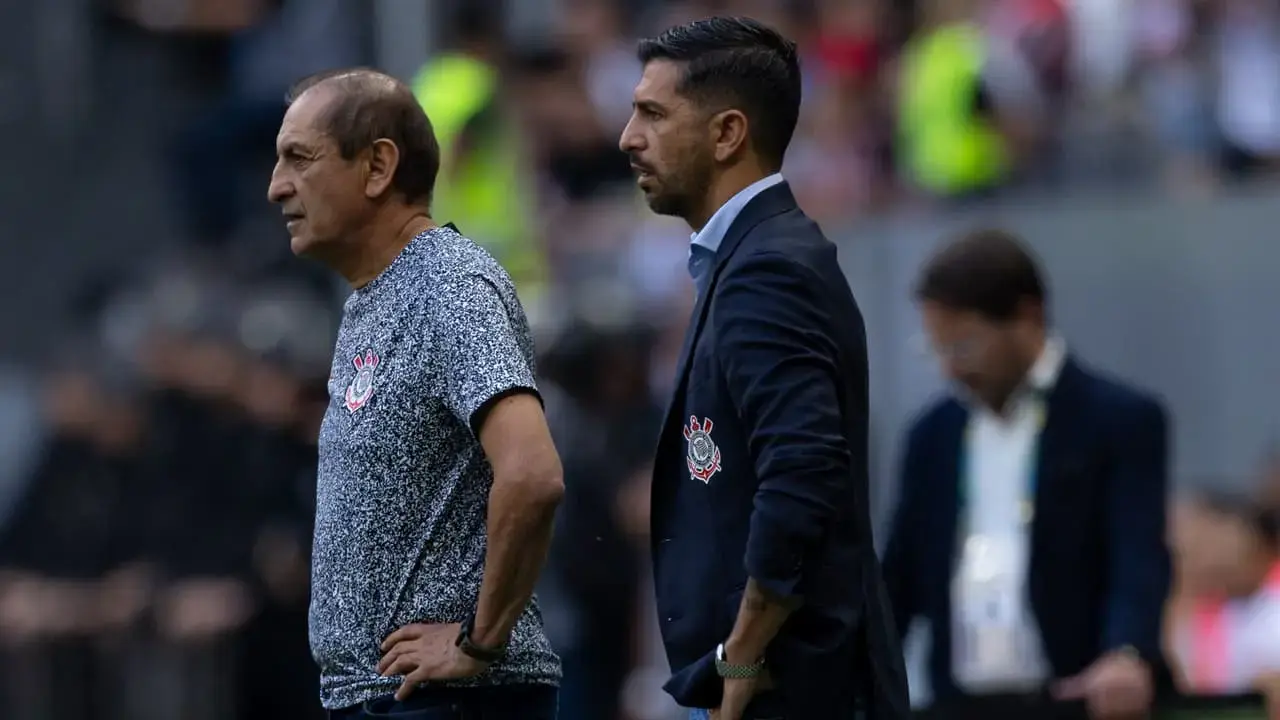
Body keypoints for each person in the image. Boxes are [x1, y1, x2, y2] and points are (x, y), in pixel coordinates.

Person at [619, 17, 910, 720]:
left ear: (727, 135)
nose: (628, 137)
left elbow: (802, 471)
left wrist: (744, 649)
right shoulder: (753, 258)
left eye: (653, 114)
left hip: (786, 688)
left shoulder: (768, 269)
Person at [267, 68, 564, 719]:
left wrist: (478, 645)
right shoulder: (369, 302)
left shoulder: (450, 286)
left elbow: (533, 473)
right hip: (388, 697)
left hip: (447, 700)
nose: (276, 186)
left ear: (377, 167)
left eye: (299, 158)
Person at [882, 229, 1171, 719]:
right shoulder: (932, 434)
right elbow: (900, 575)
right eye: (939, 351)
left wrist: (1126, 653)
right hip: (958, 704)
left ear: (1027, 316)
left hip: (1073, 697)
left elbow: (1137, 554)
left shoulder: (1117, 419)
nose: (951, 369)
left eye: (965, 347)